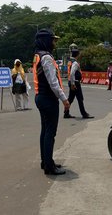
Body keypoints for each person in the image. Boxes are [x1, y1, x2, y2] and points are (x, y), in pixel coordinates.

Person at [32, 28, 70, 175]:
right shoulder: (46, 57)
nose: (54, 42)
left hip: (40, 96)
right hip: (48, 98)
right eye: (53, 40)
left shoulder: (37, 55)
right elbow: (53, 83)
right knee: (50, 133)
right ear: (46, 40)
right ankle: (49, 166)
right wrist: (64, 99)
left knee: (45, 131)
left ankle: (46, 161)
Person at [64, 48, 94, 119]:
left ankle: (66, 113)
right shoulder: (75, 63)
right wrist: (73, 83)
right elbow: (72, 73)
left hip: (71, 81)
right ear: (78, 55)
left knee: (70, 99)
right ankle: (84, 114)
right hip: (75, 83)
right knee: (80, 99)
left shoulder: (69, 62)